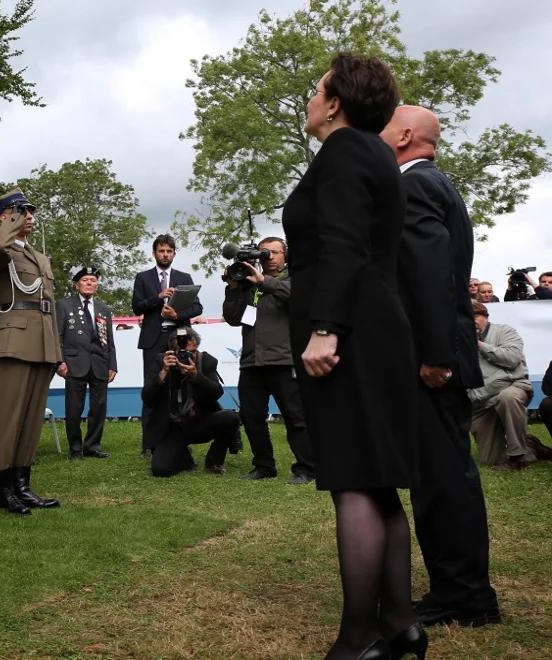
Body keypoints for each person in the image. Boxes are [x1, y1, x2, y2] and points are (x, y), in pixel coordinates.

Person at [282, 54, 422, 659]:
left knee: (354, 485)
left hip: (351, 335)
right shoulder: (375, 156)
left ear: (335, 101)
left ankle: (360, 637)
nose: (311, 98)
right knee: (377, 483)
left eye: (316, 89)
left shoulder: (341, 154)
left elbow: (341, 246)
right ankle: (399, 626)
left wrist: (325, 329)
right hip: (379, 331)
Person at [381, 105, 501, 628]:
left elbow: (431, 276)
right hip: (436, 358)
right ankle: (461, 589)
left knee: (443, 482)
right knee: (443, 477)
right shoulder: (434, 184)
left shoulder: (415, 186)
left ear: (405, 135)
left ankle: (465, 596)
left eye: (385, 125)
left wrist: (433, 356)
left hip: (432, 363)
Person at [0, 189, 62, 515]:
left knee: (30, 420)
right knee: (9, 418)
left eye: (30, 210)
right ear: (6, 216)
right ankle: (4, 489)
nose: (29, 216)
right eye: (20, 211)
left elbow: (49, 305)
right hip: (16, 340)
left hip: (42, 340)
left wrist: (55, 346)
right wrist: (11, 221)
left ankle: (23, 485)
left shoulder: (39, 257)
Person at [221, 237, 315, 484]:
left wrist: (264, 281)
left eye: (274, 252)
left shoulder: (295, 278)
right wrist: (233, 287)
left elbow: (299, 299)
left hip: (284, 360)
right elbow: (232, 318)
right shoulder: (248, 283)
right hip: (252, 362)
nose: (269, 256)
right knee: (252, 417)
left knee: (295, 417)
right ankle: (264, 466)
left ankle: (306, 468)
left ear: (285, 255)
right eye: (264, 252)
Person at [132, 235, 203, 456]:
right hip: (154, 340)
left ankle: (183, 439)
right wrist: (158, 296)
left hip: (178, 337)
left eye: (169, 251)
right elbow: (136, 307)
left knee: (182, 388)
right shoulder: (143, 278)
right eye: (161, 251)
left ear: (174, 253)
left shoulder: (184, 277)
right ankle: (149, 444)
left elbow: (198, 308)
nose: (165, 254)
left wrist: (177, 314)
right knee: (153, 388)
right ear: (154, 253)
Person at [144, 328, 240, 477]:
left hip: (201, 421)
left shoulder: (206, 361)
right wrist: (162, 373)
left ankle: (214, 461)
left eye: (192, 352)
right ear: (172, 352)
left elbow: (217, 392)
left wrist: (196, 376)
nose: (188, 356)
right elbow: (147, 398)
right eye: (182, 353)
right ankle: (184, 457)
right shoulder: (160, 362)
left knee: (231, 418)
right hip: (174, 427)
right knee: (161, 469)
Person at [56, 267, 117, 459]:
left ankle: (92, 446)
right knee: (74, 407)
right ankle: (75, 448)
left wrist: (112, 365)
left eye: (93, 280)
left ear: (97, 285)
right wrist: (59, 362)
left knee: (99, 407)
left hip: (100, 362)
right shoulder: (64, 305)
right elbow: (57, 336)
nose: (89, 283)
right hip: (74, 363)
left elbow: (110, 340)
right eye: (85, 280)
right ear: (77, 284)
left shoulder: (104, 309)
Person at [467, 301, 534, 470]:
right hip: (482, 399)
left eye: (474, 316)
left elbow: (512, 359)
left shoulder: (505, 331)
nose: (470, 320)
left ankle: (518, 457)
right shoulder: (458, 341)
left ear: (486, 317)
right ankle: (531, 445)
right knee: (490, 459)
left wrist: (479, 345)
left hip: (513, 388)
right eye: (465, 317)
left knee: (507, 397)